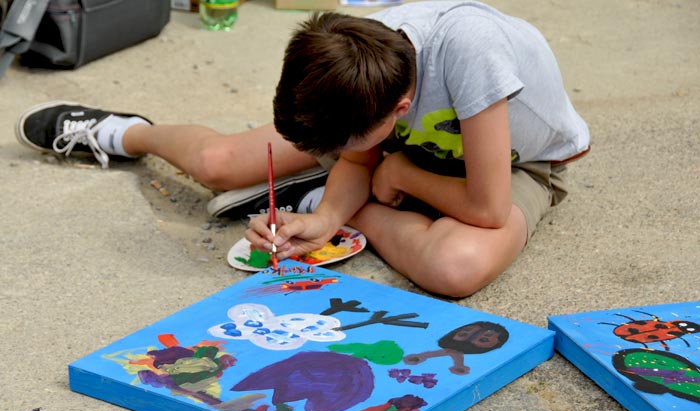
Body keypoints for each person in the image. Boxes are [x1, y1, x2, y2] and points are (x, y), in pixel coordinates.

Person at [15, 1, 590, 298]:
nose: (334, 153)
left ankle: (335, 195)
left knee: (454, 265)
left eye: (336, 150)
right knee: (219, 164)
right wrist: (326, 221)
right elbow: (358, 154)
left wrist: (401, 176)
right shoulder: (359, 54)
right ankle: (126, 132)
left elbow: (487, 208)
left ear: (398, 108)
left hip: (514, 164)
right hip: (390, 144)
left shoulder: (471, 54)